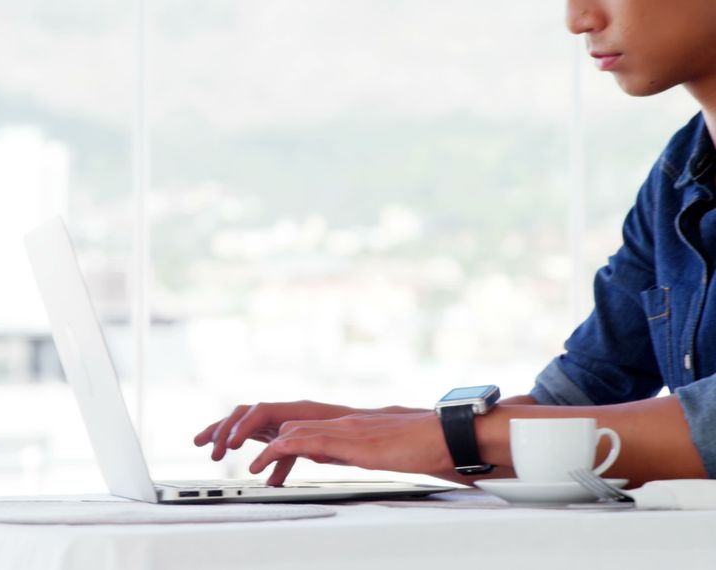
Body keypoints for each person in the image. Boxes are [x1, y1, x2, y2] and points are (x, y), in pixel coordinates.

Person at [194, 0, 716, 487]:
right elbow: (578, 398)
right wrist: (376, 429)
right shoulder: (678, 176)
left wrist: (451, 435)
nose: (578, 19)